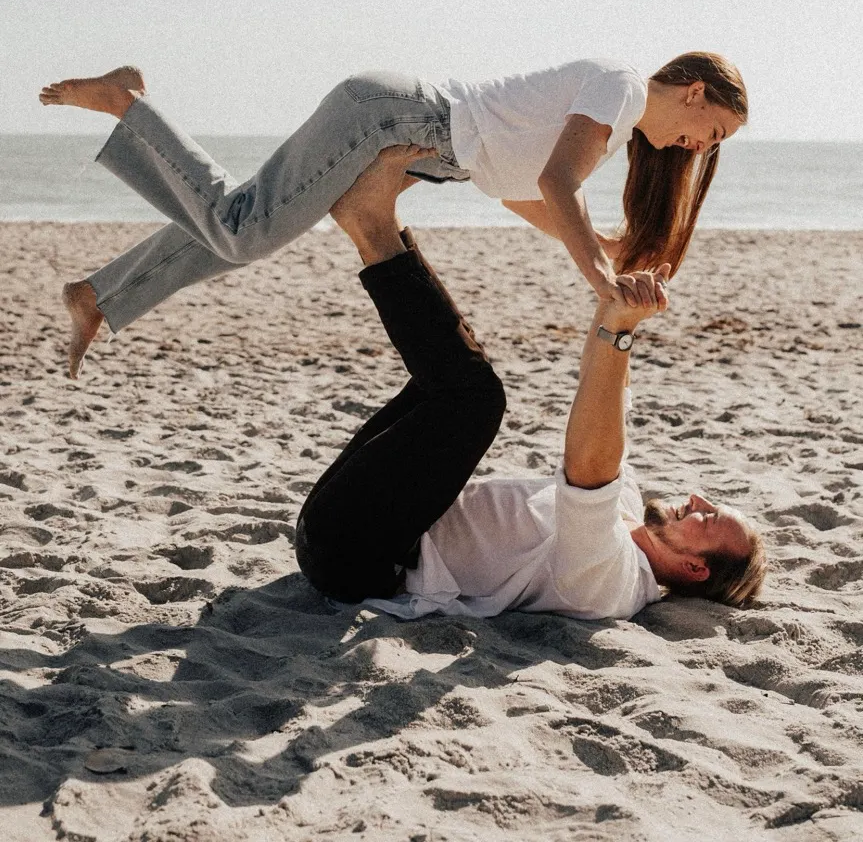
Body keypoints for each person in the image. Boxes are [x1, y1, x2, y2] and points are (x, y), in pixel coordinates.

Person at [39, 50, 746, 377]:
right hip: (390, 118)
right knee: (243, 228)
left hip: (392, 124)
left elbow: (518, 188)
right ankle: (127, 103)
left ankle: (97, 295)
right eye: (710, 131)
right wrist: (598, 277)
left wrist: (604, 245)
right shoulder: (620, 89)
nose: (696, 148)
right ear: (692, 92)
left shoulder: (611, 121)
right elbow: (559, 181)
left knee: (241, 228)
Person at [296, 145, 766, 618]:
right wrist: (615, 301)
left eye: (711, 518)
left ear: (695, 569)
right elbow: (604, 391)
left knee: (475, 398)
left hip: (356, 556)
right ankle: (386, 216)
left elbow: (589, 468)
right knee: (449, 377)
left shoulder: (612, 583)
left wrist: (620, 331)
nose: (699, 499)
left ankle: (372, 226)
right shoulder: (625, 508)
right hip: (366, 512)